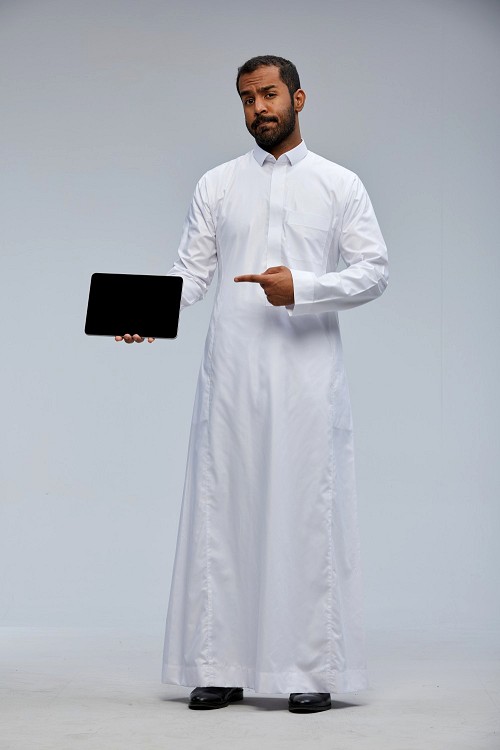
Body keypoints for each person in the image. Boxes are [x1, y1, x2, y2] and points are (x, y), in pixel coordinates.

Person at [116, 55, 388, 714]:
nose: (258, 108)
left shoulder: (338, 184)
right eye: (246, 98)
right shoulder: (218, 184)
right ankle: (220, 665)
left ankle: (309, 669)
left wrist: (305, 287)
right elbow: (191, 271)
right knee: (225, 511)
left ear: (298, 98)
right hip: (232, 374)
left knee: (305, 514)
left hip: (306, 377)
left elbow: (374, 270)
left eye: (268, 94)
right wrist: (145, 313)